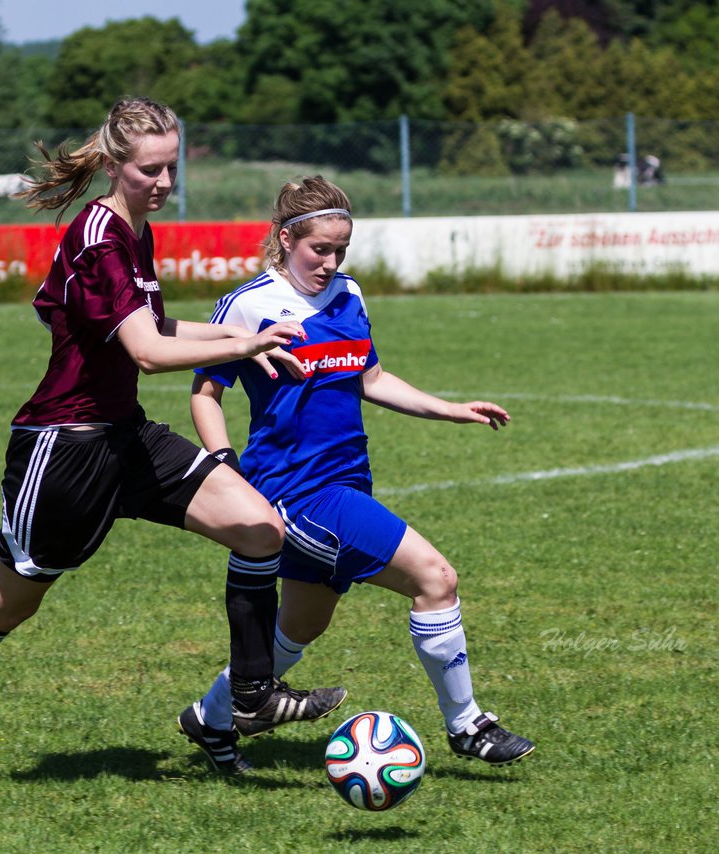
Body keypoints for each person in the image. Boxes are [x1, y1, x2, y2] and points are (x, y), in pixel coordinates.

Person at [0, 99, 345, 787]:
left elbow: (162, 324)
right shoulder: (98, 237)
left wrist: (250, 338)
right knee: (13, 599)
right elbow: (148, 351)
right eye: (150, 170)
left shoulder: (137, 232)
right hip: (64, 444)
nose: (163, 182)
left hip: (123, 434)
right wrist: (245, 341)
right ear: (114, 164)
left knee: (258, 527)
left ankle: (251, 695)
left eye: (170, 168)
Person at [178, 176, 536, 772]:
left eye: (341, 249)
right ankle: (468, 725)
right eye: (320, 249)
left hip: (348, 479)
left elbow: (368, 379)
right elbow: (206, 393)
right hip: (297, 491)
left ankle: (211, 718)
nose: (331, 261)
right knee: (435, 578)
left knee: (300, 628)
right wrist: (223, 467)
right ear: (286, 238)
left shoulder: (350, 296)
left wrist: (449, 409)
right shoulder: (250, 304)